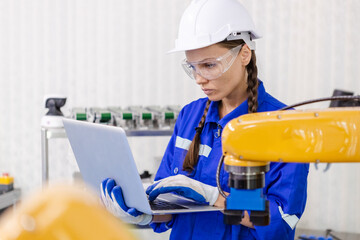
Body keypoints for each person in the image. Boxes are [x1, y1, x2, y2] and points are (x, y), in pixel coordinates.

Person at [101, 0, 309, 239]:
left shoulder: (284, 127)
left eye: (209, 65)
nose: (199, 79)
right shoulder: (190, 116)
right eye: (193, 67)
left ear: (244, 54)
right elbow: (165, 205)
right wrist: (139, 212)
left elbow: (282, 221)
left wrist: (217, 198)